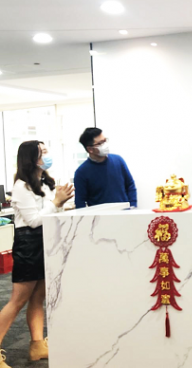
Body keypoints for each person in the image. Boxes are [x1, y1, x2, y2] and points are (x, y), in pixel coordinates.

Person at [0, 141, 73, 367]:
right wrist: (56, 202)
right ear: (31, 158)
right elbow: (33, 220)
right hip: (29, 244)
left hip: (46, 240)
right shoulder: (21, 186)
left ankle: (37, 345)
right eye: (43, 152)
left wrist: (60, 203)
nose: (47, 155)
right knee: (18, 300)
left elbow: (50, 212)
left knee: (38, 297)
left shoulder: (45, 182)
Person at [74, 128, 137, 208]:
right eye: (100, 143)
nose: (104, 145)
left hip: (124, 212)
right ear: (90, 149)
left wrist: (133, 205)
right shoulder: (81, 172)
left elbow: (130, 185)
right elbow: (80, 201)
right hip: (100, 215)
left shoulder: (118, 160)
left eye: (105, 140)